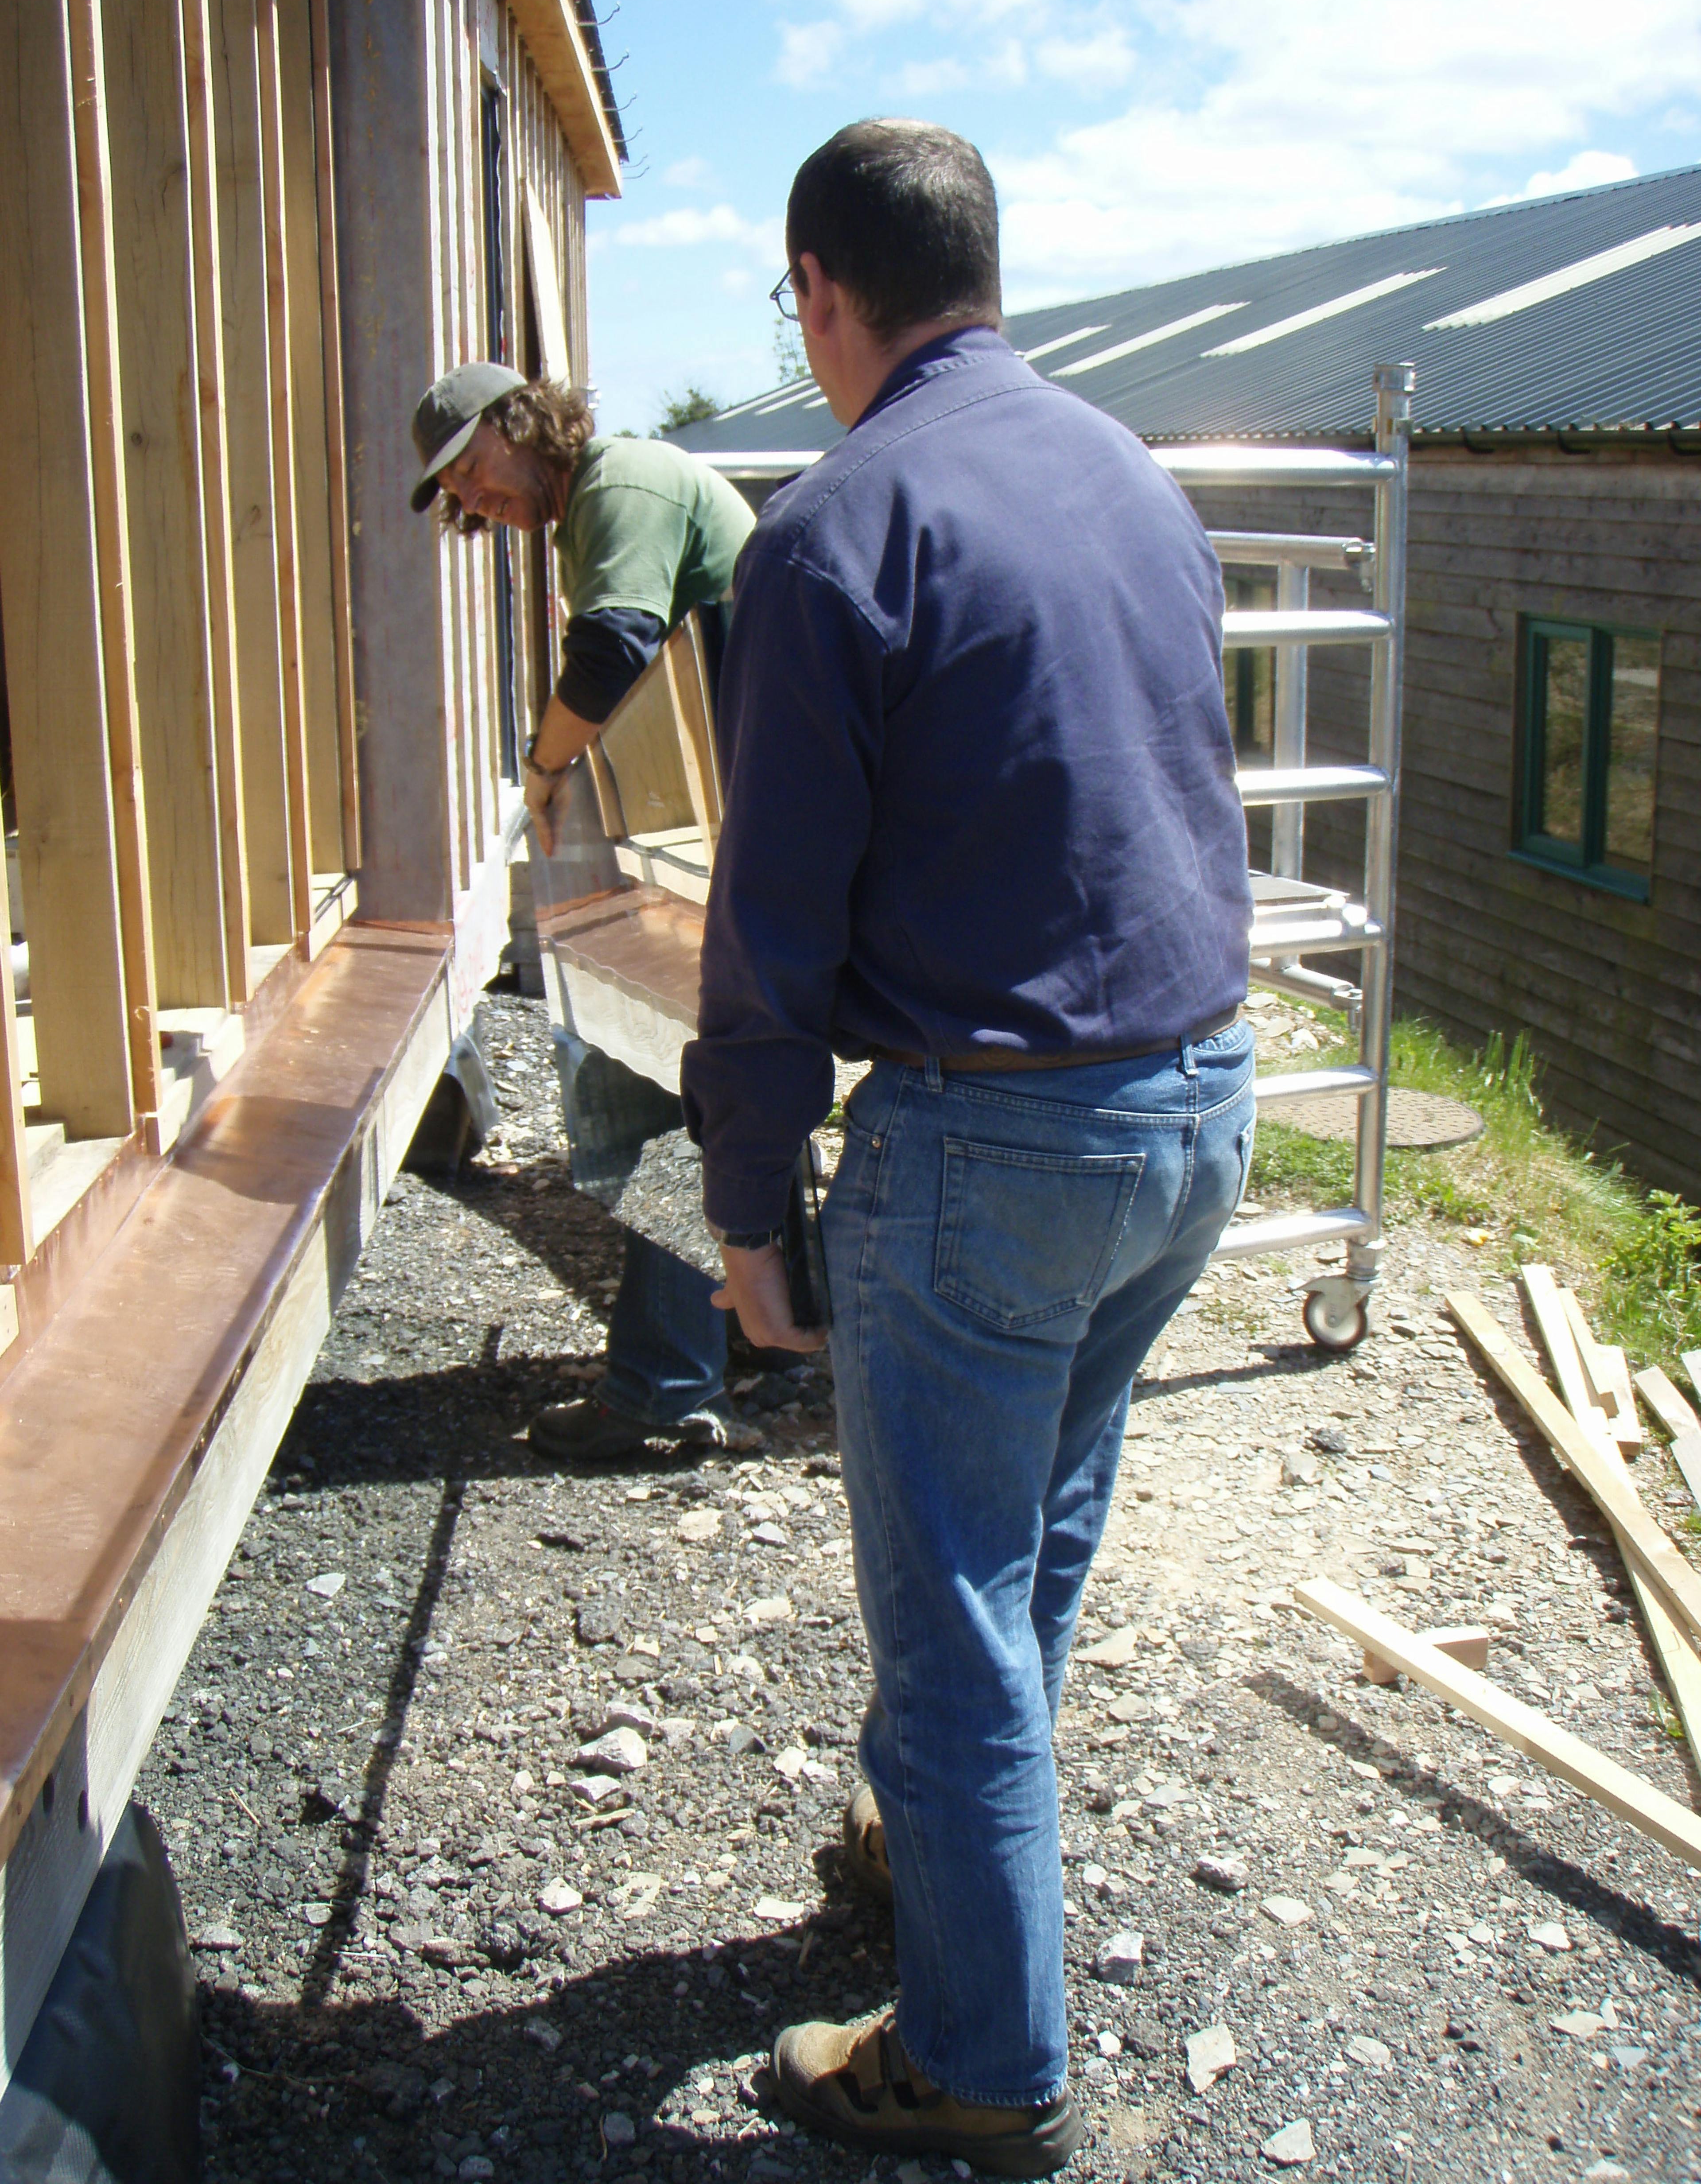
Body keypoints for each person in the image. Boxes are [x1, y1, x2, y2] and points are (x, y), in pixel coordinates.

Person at [679, 121, 1256, 2176]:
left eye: (789, 307)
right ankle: (933, 1817)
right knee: (1032, 1528)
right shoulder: (1131, 476)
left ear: (823, 291)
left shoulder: (830, 532)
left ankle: (983, 2061)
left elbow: (770, 930)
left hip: (994, 1142)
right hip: (1197, 1103)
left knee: (947, 1598)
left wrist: (749, 1203)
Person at [409, 363, 757, 1463]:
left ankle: (665, 1389)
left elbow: (612, 647)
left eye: (474, 465)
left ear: (523, 423)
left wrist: (544, 767)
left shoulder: (623, 483)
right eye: (456, 489)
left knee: (644, 1080)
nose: (474, 496)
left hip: (737, 828)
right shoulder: (592, 506)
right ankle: (755, 1326)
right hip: (721, 821)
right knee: (664, 1077)